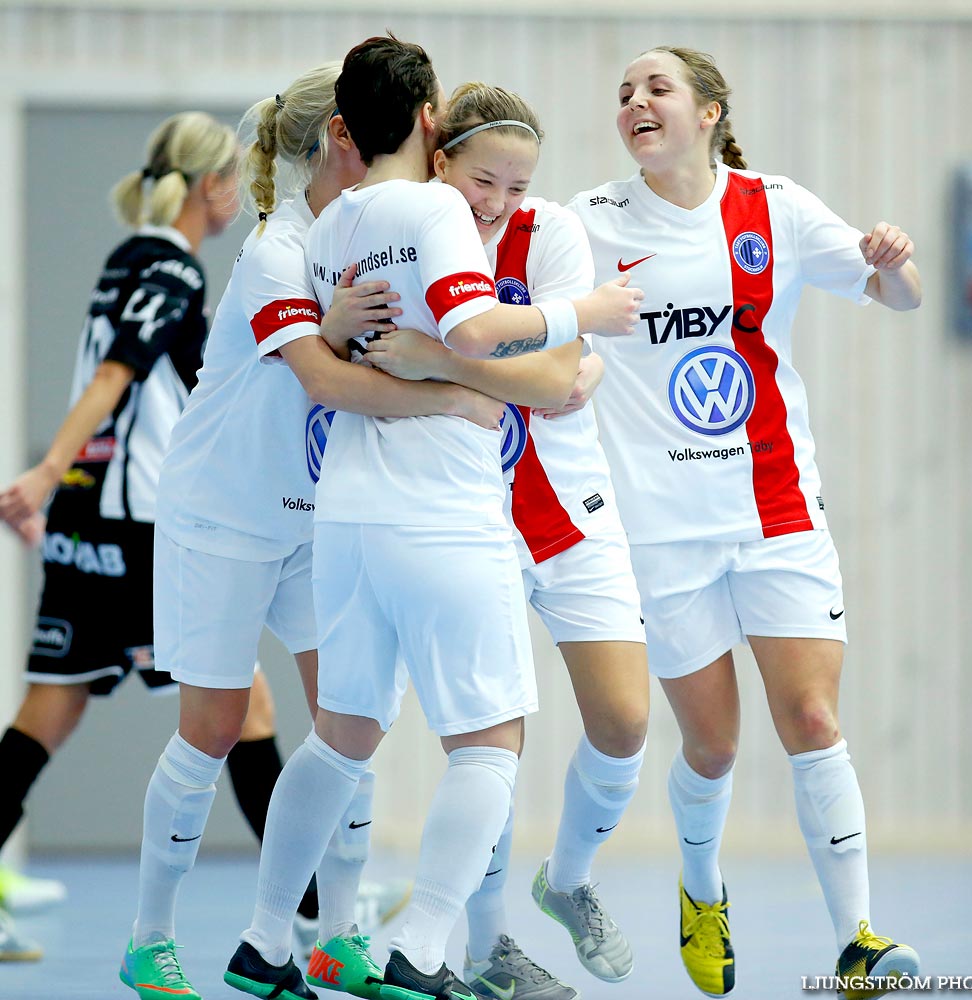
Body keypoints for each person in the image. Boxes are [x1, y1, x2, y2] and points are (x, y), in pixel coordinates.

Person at [224, 34, 642, 1000]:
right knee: (491, 742)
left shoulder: (329, 227)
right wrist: (587, 311)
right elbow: (468, 330)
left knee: (341, 735)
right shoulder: (436, 208)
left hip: (349, 520)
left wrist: (477, 361)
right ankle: (421, 944)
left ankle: (263, 940)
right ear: (427, 123)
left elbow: (383, 353)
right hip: (441, 511)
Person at [116, 62, 500, 1000]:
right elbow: (325, 381)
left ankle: (334, 939)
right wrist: (457, 397)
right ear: (339, 137)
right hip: (220, 516)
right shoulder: (276, 248)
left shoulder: (369, 233)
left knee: (353, 722)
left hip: (313, 519)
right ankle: (147, 939)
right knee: (209, 731)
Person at [567, 45, 923, 1000]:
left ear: (710, 110)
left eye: (657, 88)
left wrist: (893, 263)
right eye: (624, 94)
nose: (636, 102)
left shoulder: (776, 206)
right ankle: (700, 889)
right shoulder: (587, 221)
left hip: (776, 509)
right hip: (662, 528)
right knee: (714, 745)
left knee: (810, 716)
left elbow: (900, 294)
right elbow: (503, 284)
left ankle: (857, 940)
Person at [361, 82, 650, 1000]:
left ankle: (564, 880)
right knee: (485, 749)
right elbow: (538, 367)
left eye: (518, 187)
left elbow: (560, 375)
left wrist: (443, 358)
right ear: (439, 159)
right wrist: (527, 366)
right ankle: (489, 950)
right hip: (462, 515)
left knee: (624, 723)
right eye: (486, 181)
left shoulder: (551, 233)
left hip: (567, 510)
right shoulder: (412, 235)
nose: (501, 204)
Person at [0, 111, 239, 963]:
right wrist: (41, 469)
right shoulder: (169, 266)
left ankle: (320, 895)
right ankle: (322, 902)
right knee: (241, 705)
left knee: (50, 708)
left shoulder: (126, 257)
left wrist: (55, 481)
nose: (242, 193)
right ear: (211, 187)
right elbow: (115, 376)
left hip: (86, 514)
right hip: (139, 523)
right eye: (237, 177)